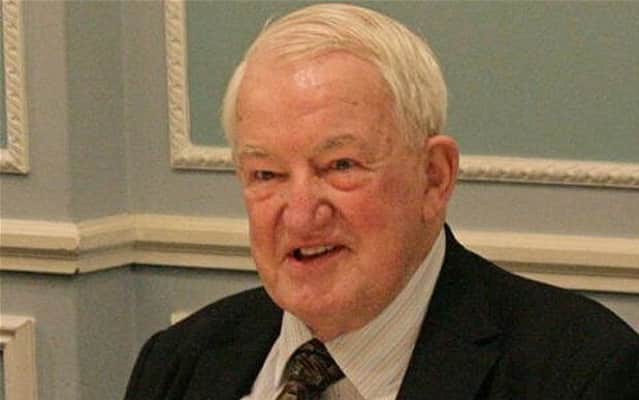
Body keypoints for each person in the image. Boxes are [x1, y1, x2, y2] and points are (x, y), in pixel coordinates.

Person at [124, 4, 639, 399]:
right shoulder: (179, 362)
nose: (300, 213)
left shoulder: (581, 373)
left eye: (340, 166)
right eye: (266, 174)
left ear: (434, 177)